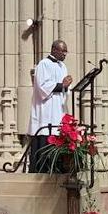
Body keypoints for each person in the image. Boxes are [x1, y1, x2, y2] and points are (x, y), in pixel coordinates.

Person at [28, 40, 72, 172]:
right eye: (62, 51)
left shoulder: (62, 66)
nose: (65, 54)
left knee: (57, 131)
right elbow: (41, 87)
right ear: (53, 50)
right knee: (45, 133)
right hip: (45, 108)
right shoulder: (43, 64)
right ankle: (42, 168)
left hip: (58, 107)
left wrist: (67, 85)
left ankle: (57, 168)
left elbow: (64, 88)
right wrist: (61, 85)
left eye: (66, 51)